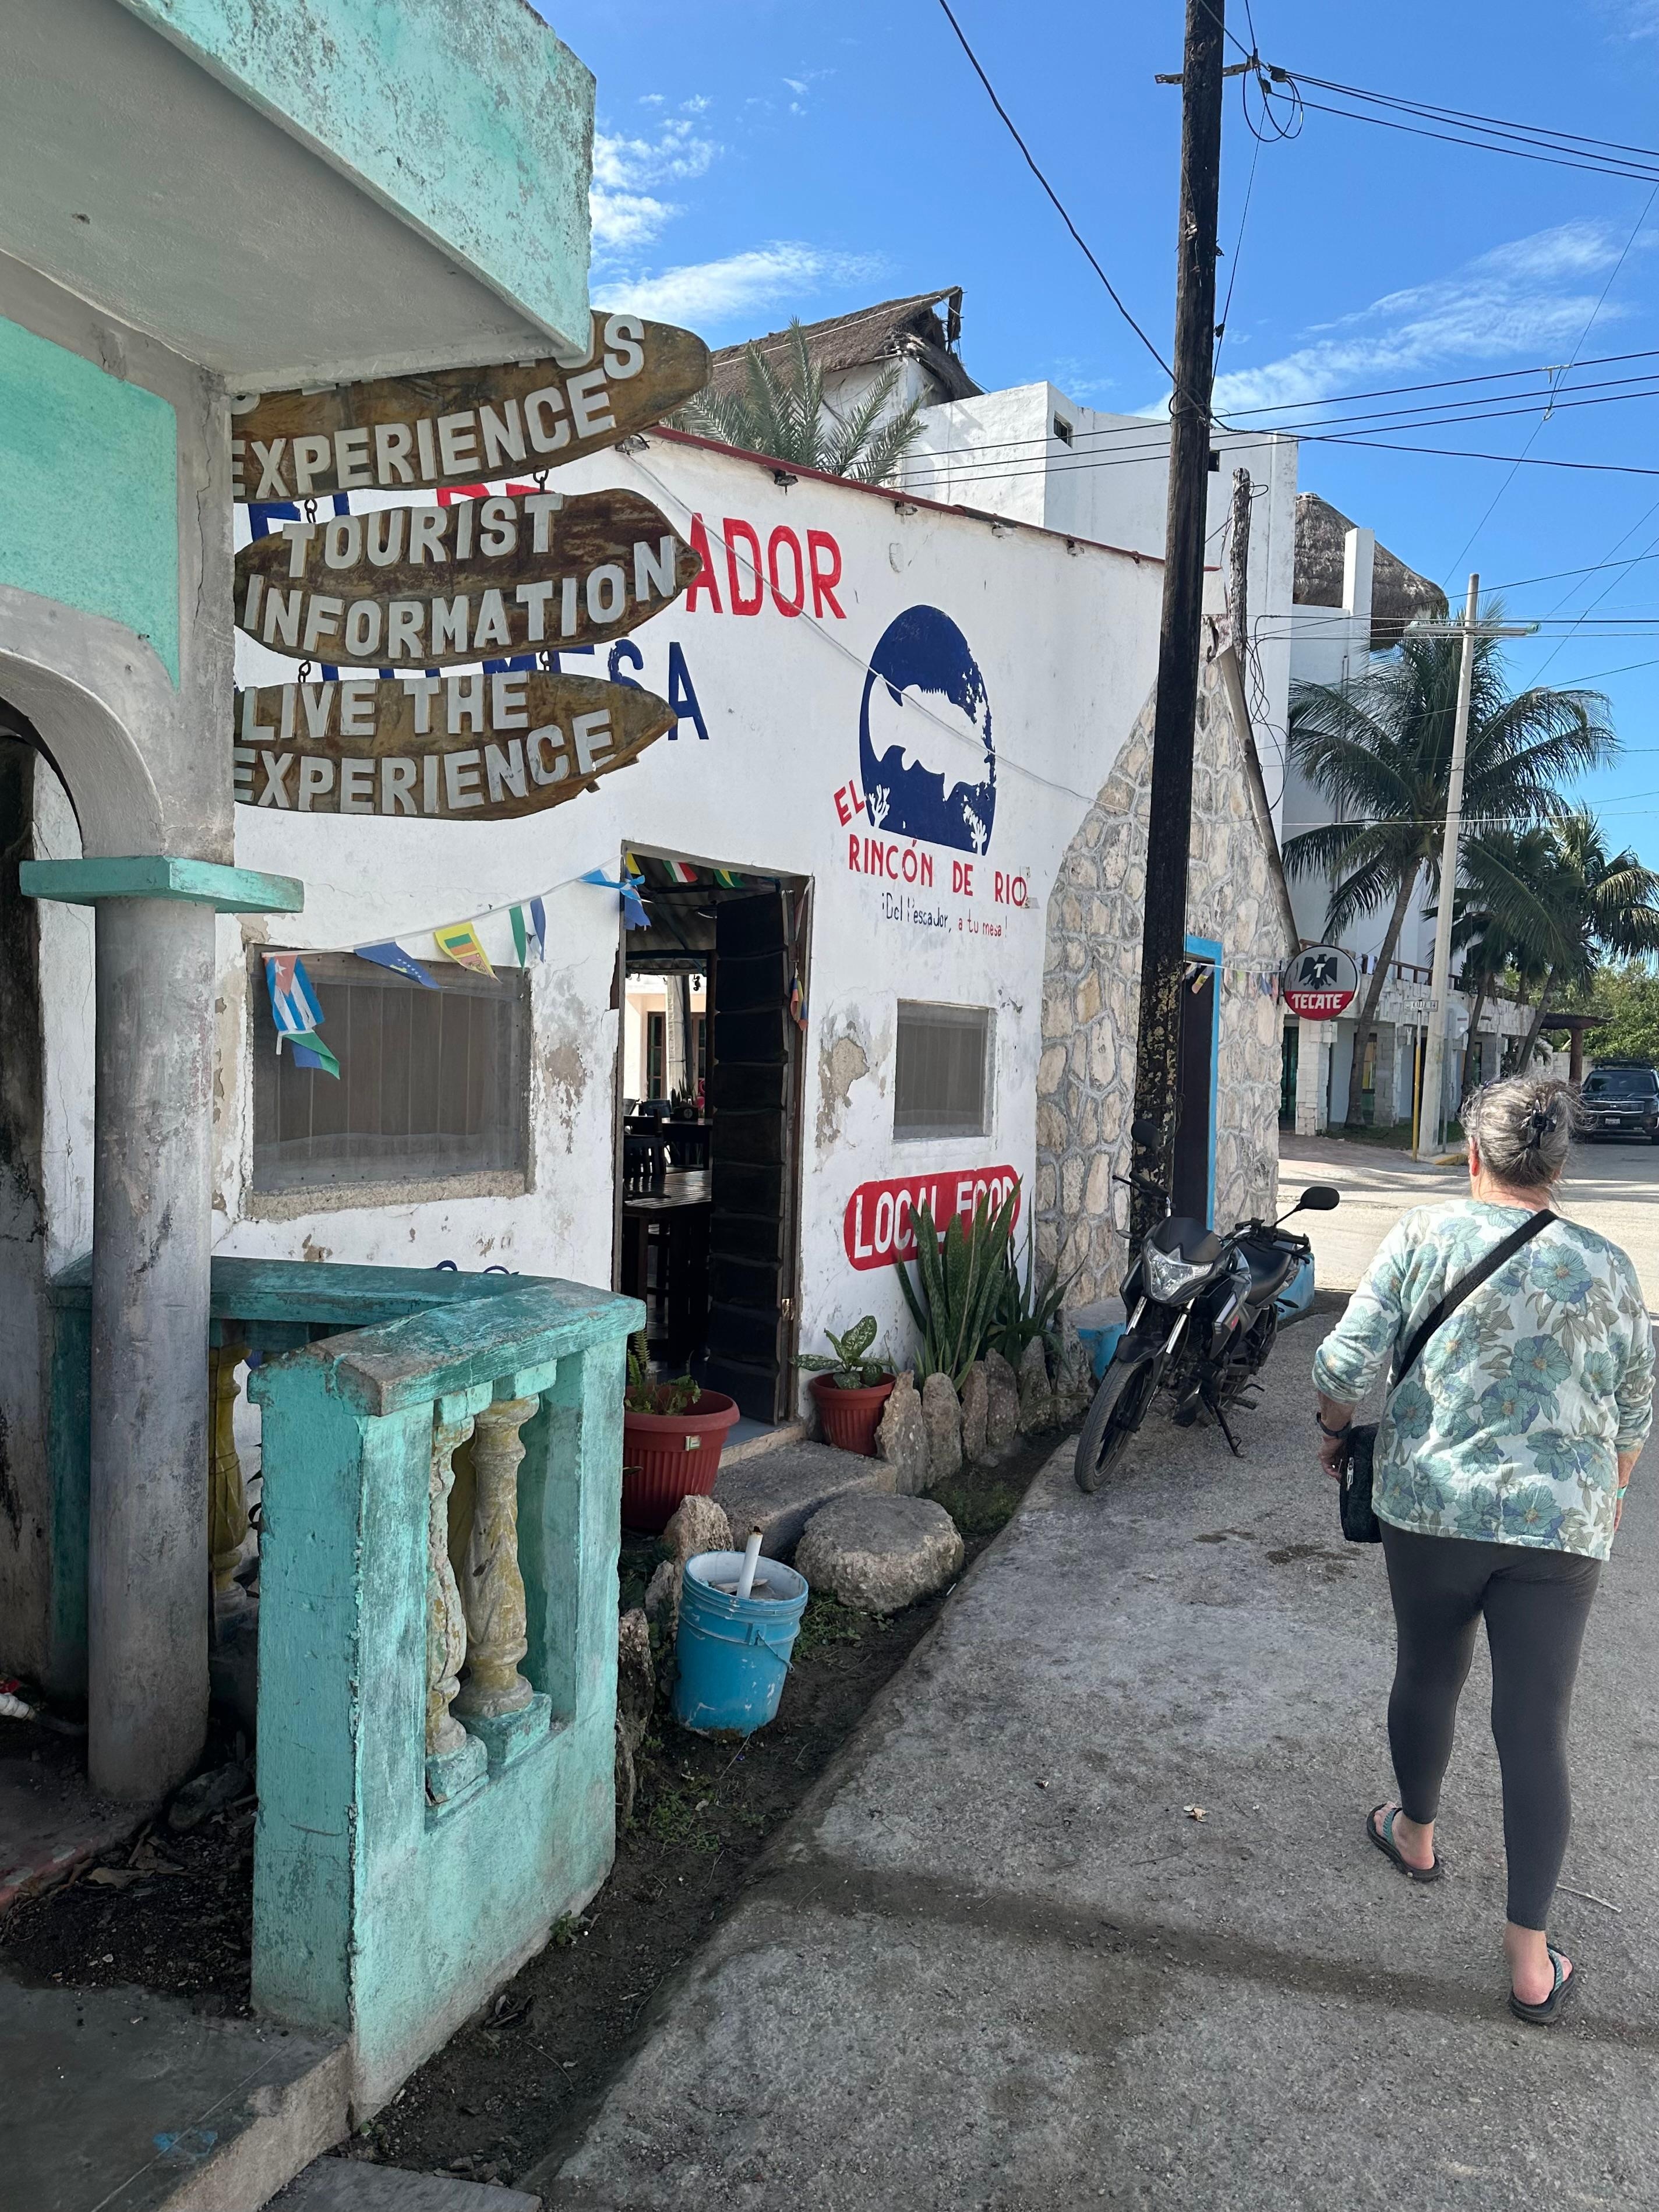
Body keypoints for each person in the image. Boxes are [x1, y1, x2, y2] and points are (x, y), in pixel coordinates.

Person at [1311, 1075, 1653, 2024]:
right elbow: (1634, 1409)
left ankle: (1416, 1834)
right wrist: (1607, 1494)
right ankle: (1531, 1962)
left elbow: (1344, 1362)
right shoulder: (1608, 1265)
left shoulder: (1423, 1235)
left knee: (1428, 1672)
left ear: (1473, 1155)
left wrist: (1333, 1428)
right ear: (1559, 1165)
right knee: (1535, 1725)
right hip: (1560, 1529)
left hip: (1432, 1504)